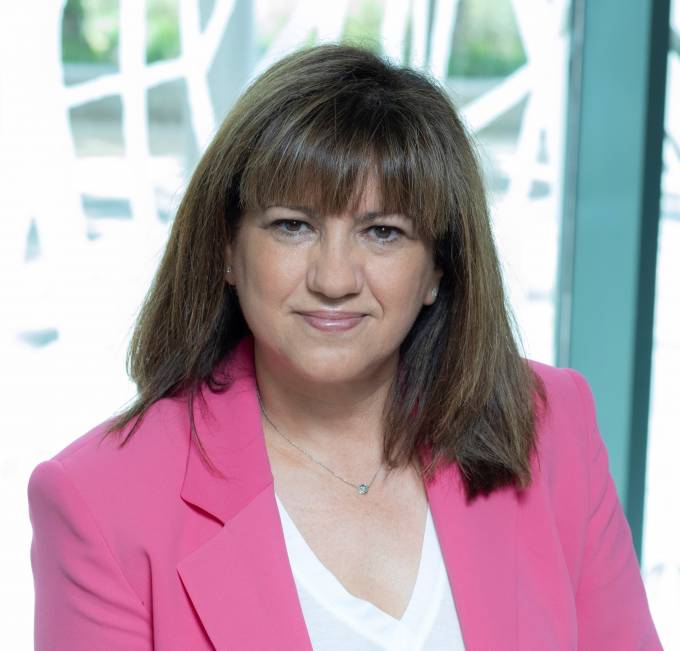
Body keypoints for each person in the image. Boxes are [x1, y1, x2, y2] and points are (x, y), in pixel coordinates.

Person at [27, 43, 662, 651]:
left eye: (383, 232)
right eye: (292, 225)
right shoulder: (100, 499)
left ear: (439, 268)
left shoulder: (551, 424)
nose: (334, 279)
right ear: (226, 248)